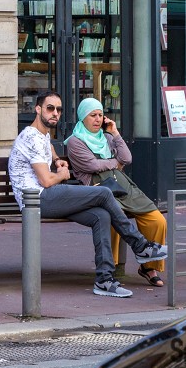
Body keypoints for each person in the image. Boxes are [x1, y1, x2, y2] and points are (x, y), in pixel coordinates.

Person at [8, 90, 168, 298]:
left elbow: (46, 146)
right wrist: (62, 174)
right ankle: (140, 245)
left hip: (48, 197)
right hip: (37, 200)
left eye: (59, 109)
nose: (55, 113)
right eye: (50, 108)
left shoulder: (41, 134)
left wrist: (56, 160)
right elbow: (47, 180)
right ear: (37, 109)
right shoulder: (30, 137)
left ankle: (104, 279)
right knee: (103, 193)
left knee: (101, 216)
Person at [64, 98, 168, 289]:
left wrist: (115, 133)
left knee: (157, 220)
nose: (97, 119)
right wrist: (114, 163)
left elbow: (127, 158)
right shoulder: (74, 142)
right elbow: (92, 166)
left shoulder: (108, 137)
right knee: (110, 219)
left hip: (123, 186)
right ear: (82, 117)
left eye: (100, 115)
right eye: (92, 115)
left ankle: (149, 267)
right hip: (99, 189)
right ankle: (110, 270)